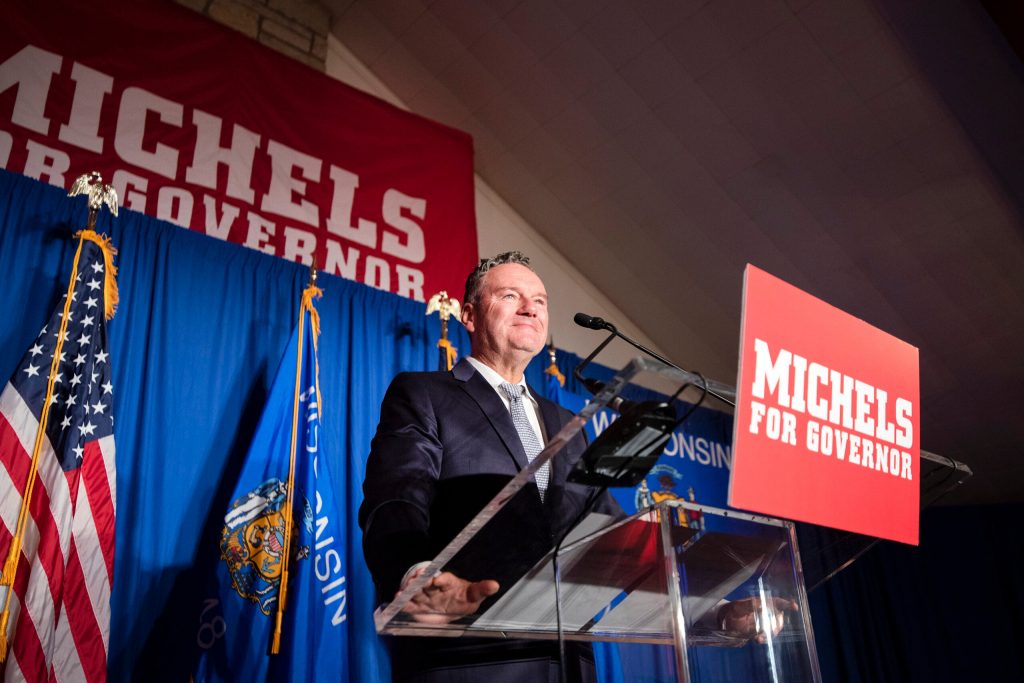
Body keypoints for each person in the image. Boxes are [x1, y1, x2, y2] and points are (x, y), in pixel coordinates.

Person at [360, 251, 793, 682]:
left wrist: (712, 610)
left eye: (541, 300)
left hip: (570, 665)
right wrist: (417, 578)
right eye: (510, 295)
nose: (530, 307)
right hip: (471, 659)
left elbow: (616, 543)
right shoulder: (424, 394)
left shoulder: (568, 424)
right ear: (470, 315)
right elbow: (398, 494)